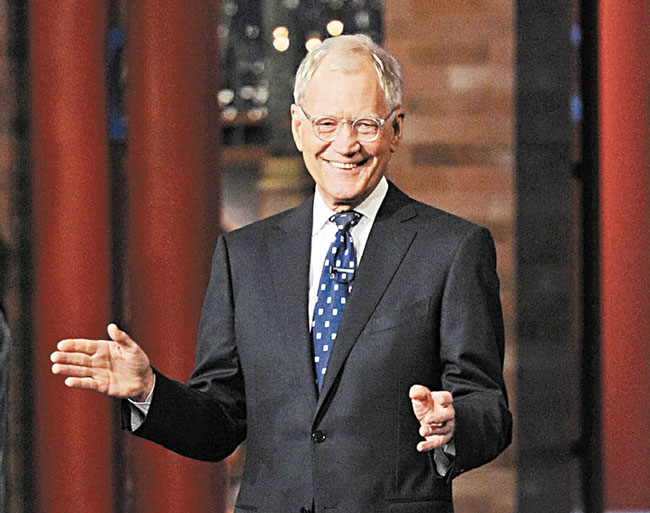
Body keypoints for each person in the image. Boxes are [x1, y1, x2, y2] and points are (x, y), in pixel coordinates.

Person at [51, 34, 511, 513]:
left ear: (396, 129)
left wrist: (454, 423)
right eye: (327, 123)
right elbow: (221, 423)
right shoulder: (243, 256)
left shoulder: (452, 249)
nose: (345, 144)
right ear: (298, 127)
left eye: (366, 124)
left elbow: (489, 407)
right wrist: (150, 391)